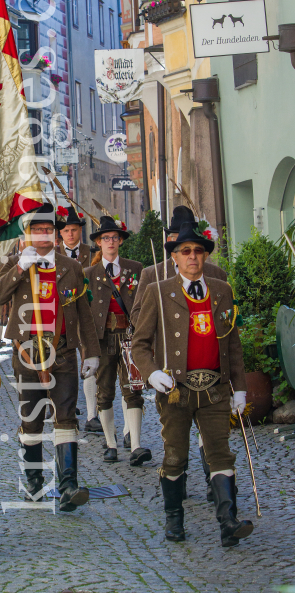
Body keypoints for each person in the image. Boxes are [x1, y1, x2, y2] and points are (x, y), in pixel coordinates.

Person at [132, 220, 253, 547]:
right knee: (175, 457)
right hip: (175, 391)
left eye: (198, 251)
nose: (193, 257)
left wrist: (239, 387)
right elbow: (140, 343)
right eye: (185, 251)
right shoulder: (159, 291)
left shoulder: (222, 290)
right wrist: (151, 372)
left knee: (221, 455)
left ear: (205, 256)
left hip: (214, 388)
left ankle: (228, 521)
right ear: (174, 257)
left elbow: (233, 344)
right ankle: (174, 518)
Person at [0, 203, 100, 512]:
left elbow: (84, 314)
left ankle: (68, 486)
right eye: (36, 230)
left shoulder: (71, 267)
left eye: (47, 230)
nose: (42, 236)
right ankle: (35, 482)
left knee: (66, 416)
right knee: (31, 419)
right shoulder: (13, 262)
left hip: (63, 351)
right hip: (26, 353)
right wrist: (20, 268)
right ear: (27, 234)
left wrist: (90, 352)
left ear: (55, 235)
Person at [130, 205, 228, 496]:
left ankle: (216, 486)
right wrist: (156, 362)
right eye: (180, 243)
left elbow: (226, 333)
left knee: (214, 442)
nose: (190, 255)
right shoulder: (153, 276)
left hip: (210, 379)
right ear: (172, 247)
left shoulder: (216, 277)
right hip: (172, 373)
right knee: (175, 447)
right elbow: (140, 321)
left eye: (195, 247)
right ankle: (176, 496)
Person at [85, 216, 148, 466]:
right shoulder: (89, 273)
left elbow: (144, 303)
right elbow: (85, 312)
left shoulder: (135, 268)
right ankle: (110, 443)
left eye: (114, 238)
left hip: (130, 336)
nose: (110, 242)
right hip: (102, 339)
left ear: (120, 241)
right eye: (105, 238)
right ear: (99, 243)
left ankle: (136, 445)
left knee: (133, 388)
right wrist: (87, 346)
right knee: (105, 391)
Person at [58, 206, 100, 435]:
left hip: (87, 312)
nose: (70, 234)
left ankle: (92, 414)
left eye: (74, 230)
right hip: (62, 315)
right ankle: (64, 406)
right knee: (61, 363)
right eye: (66, 230)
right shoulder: (53, 255)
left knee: (88, 359)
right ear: (60, 234)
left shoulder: (93, 252)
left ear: (79, 232)